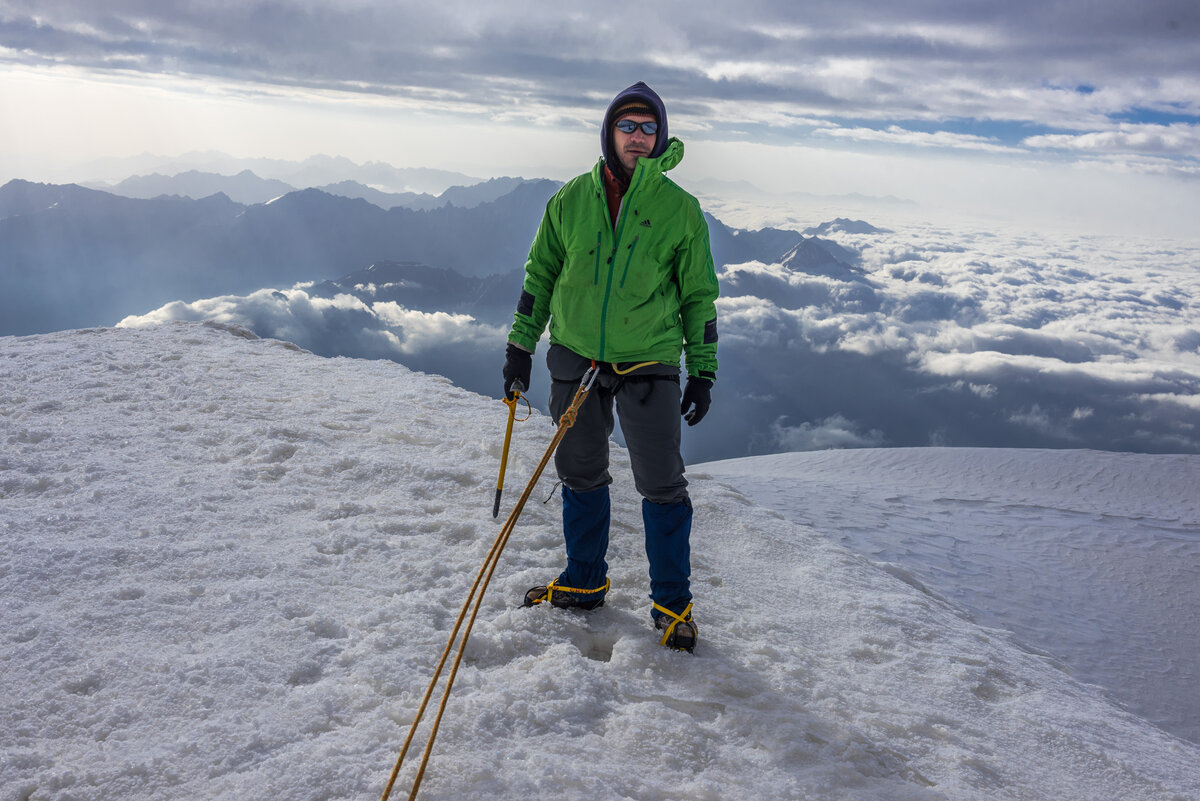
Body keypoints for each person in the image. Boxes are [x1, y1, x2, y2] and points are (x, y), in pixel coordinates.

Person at [502, 81, 719, 652]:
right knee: (580, 472)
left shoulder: (681, 211)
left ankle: (672, 604)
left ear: (662, 136)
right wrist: (519, 347)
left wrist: (703, 370)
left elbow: (699, 297)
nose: (639, 138)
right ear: (609, 133)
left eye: (649, 128)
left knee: (661, 483)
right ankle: (584, 581)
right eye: (629, 126)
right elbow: (539, 278)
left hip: (649, 361)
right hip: (576, 357)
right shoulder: (571, 200)